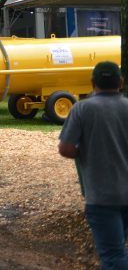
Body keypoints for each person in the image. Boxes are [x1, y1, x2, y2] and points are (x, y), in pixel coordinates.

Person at [59, 61, 128, 268]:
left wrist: (88, 152)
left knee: (113, 255)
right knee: (118, 251)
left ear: (92, 82)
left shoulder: (82, 109)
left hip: (101, 196)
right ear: (121, 82)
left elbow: (66, 148)